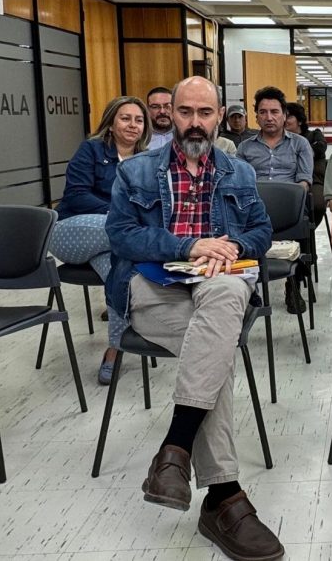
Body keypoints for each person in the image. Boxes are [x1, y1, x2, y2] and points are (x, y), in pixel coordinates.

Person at [105, 76, 283, 561]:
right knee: (217, 354)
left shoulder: (237, 171)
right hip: (153, 286)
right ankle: (221, 497)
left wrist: (233, 247)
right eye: (186, 112)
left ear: (219, 115)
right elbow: (120, 236)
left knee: (226, 290)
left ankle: (180, 454)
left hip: (214, 287)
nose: (195, 122)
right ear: (169, 114)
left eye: (205, 113)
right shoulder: (136, 172)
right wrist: (187, 245)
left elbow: (261, 230)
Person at [49, 96, 150, 385]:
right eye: (125, 118)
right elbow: (76, 195)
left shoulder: (145, 161)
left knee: (123, 271)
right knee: (127, 234)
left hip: (114, 243)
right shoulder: (91, 149)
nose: (133, 125)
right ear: (111, 121)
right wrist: (121, 215)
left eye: (139, 120)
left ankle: (115, 349)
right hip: (72, 231)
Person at [237, 87, 314, 315]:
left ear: (284, 114)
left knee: (301, 223)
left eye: (274, 112)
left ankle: (293, 285)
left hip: (290, 210)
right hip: (253, 209)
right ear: (256, 115)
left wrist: (287, 205)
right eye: (263, 112)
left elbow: (304, 181)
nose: (269, 117)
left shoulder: (299, 144)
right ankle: (249, 286)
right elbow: (238, 183)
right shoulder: (245, 147)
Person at [285, 102, 327, 226]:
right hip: (289, 177)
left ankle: (309, 229)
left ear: (300, 120)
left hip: (314, 179)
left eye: (289, 117)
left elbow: (320, 147)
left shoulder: (314, 135)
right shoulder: (283, 140)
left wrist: (304, 153)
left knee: (317, 204)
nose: (285, 120)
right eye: (284, 116)